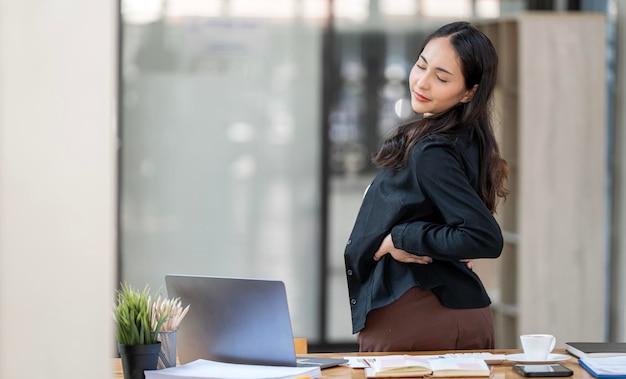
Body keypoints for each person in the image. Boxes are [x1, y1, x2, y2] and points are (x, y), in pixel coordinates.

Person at [344, 21, 509, 352]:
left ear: (469, 92)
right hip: (455, 313)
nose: (422, 82)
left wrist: (401, 238)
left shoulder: (432, 149)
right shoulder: (465, 139)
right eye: (421, 65)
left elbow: (483, 237)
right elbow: (459, 226)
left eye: (442, 77)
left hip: (416, 318)